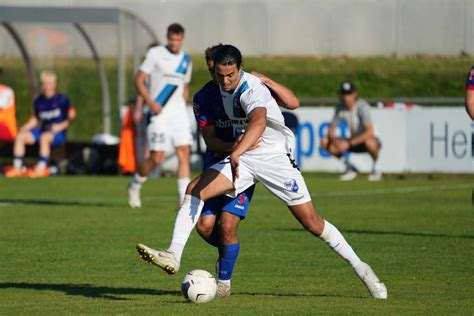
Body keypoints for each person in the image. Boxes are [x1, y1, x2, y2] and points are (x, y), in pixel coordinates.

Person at [136, 45, 387, 299]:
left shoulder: (251, 87)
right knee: (195, 189)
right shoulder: (215, 90)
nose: (224, 81)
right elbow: (216, 134)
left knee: (312, 223)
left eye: (230, 75)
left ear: (240, 69)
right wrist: (238, 152)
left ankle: (363, 269)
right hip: (245, 156)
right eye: (220, 75)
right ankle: (174, 254)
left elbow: (259, 120)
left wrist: (235, 153)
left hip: (273, 158)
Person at [188, 44, 299, 297]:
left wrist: (265, 79)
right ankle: (227, 253)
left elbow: (292, 102)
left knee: (227, 225)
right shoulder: (205, 96)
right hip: (218, 160)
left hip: (246, 162)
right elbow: (211, 141)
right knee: (205, 227)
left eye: (225, 72)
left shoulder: (248, 87)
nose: (220, 77)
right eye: (214, 70)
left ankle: (224, 281)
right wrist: (233, 147)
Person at [128, 23, 193, 208]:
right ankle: (135, 184)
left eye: (178, 40)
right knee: (157, 157)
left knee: (184, 152)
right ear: (167, 38)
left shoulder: (186, 60)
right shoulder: (155, 54)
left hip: (178, 114)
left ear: (182, 39)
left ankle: (184, 200)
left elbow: (185, 86)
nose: (174, 43)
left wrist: (184, 104)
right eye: (171, 39)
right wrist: (150, 103)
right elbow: (139, 79)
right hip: (158, 113)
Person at [6, 70, 76, 178]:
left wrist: (60, 126)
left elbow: (72, 116)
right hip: (42, 130)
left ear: (54, 85)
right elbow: (35, 119)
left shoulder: (62, 99)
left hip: (57, 133)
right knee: (21, 137)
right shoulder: (38, 100)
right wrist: (24, 128)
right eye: (44, 84)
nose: (46, 86)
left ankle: (41, 168)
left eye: (49, 84)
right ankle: (17, 168)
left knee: (44, 137)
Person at [320, 82, 382, 181]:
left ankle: (376, 168)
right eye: (344, 94)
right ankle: (350, 168)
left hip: (368, 140)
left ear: (355, 94)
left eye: (349, 94)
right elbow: (331, 130)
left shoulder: (362, 106)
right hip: (353, 141)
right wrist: (336, 143)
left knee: (370, 142)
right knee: (324, 141)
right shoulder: (340, 108)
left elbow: (369, 132)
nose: (346, 97)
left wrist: (349, 143)